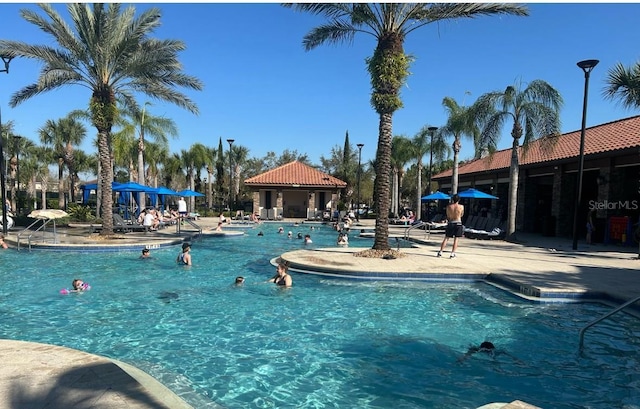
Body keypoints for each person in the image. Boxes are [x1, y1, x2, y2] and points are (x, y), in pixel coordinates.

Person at [437, 194, 464, 259]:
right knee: (456, 239)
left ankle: (440, 252)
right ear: (459, 200)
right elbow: (461, 214)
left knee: (446, 238)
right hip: (458, 223)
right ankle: (452, 253)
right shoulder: (461, 207)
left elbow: (448, 215)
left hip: (451, 223)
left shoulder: (449, 207)